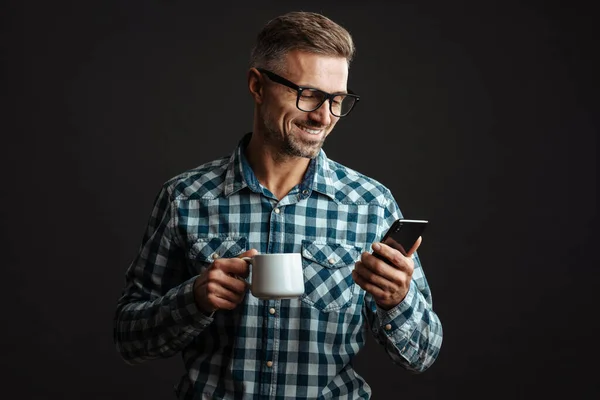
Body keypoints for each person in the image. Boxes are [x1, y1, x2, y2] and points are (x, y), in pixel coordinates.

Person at [114, 11, 443, 399]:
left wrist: (397, 300)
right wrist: (194, 299)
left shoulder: (371, 205)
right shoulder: (185, 198)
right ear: (257, 85)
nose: (324, 116)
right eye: (309, 95)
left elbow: (423, 354)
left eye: (338, 100)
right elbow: (128, 340)